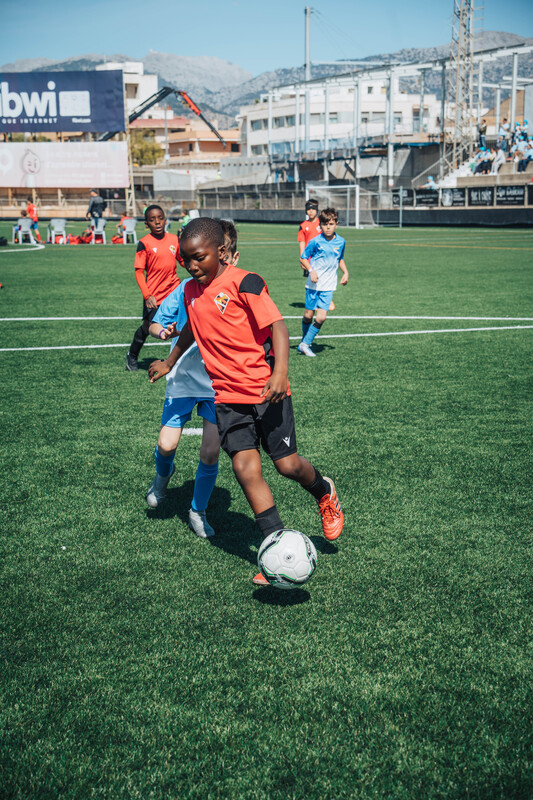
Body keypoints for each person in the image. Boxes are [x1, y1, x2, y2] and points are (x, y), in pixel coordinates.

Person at [148, 217, 344, 586]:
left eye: (199, 258)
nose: (192, 266)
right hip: (227, 398)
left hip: (267, 391)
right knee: (245, 469)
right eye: (186, 260)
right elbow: (192, 328)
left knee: (287, 466)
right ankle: (276, 548)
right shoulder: (190, 291)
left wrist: (280, 371)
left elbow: (277, 326)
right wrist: (169, 361)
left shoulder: (246, 282)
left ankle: (324, 492)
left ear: (222, 252)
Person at [144, 221, 240, 537]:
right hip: (183, 378)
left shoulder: (238, 289)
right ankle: (162, 477)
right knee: (166, 444)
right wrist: (163, 332)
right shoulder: (186, 289)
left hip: (217, 382)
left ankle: (197, 511)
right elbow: (155, 324)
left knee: (210, 452)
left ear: (229, 255)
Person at [125, 204, 183, 372]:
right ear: (146, 224)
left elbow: (182, 261)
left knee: (180, 325)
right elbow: (139, 272)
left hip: (174, 292)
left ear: (165, 220)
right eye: (152, 219)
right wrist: (147, 295)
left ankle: (179, 360)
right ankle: (132, 355)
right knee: (147, 327)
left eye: (160, 218)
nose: (157, 222)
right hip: (154, 295)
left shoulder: (174, 240)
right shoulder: (144, 243)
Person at [297, 207, 349, 358]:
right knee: (308, 316)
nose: (328, 227)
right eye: (325, 224)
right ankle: (305, 341)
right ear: (320, 225)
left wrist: (345, 272)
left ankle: (305, 344)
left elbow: (340, 259)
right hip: (313, 284)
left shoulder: (341, 242)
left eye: (331, 224)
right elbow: (303, 258)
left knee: (321, 317)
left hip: (328, 285)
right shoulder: (315, 241)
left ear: (336, 224)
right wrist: (311, 270)